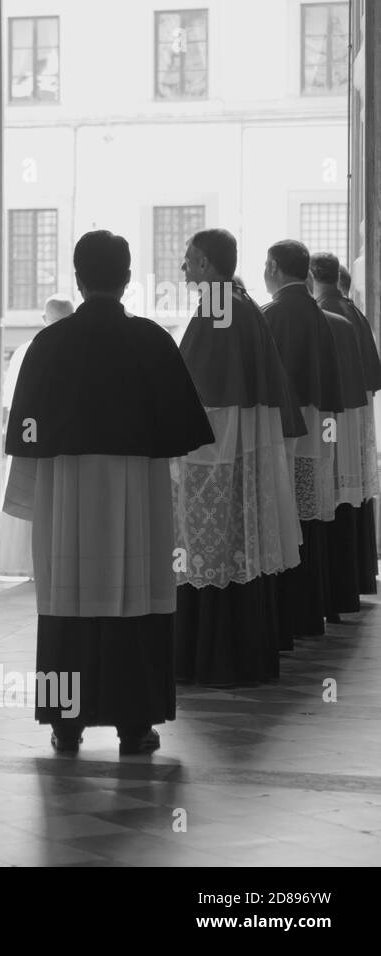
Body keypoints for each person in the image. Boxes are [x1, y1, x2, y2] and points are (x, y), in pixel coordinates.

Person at [4, 231, 213, 756]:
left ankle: (66, 725)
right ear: (126, 278)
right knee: (134, 595)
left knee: (67, 601)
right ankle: (135, 723)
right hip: (134, 490)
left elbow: (26, 435)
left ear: (77, 278)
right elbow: (183, 429)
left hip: (67, 490)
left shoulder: (48, 343)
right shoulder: (151, 340)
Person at [171, 229, 304, 686]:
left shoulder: (217, 306)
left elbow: (193, 389)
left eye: (189, 260)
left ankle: (208, 660)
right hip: (238, 450)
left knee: (211, 549)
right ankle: (243, 655)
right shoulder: (242, 302)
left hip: (214, 455)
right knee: (236, 548)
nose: (183, 268)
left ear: (207, 263)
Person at [262, 240, 347, 641]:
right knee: (309, 524)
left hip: (285, 433)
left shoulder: (271, 315)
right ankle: (310, 614)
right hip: (318, 430)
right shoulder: (320, 313)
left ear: (275, 268)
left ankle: (286, 619)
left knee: (283, 519)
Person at [0, 293, 74, 578]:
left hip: (33, 435)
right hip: (62, 438)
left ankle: (33, 563)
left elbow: (12, 400)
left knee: (36, 499)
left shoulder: (29, 349)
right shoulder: (77, 348)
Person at [310, 253, 380, 595]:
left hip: (333, 419)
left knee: (333, 492)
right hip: (353, 416)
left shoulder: (327, 312)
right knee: (348, 494)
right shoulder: (351, 309)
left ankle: (338, 586)